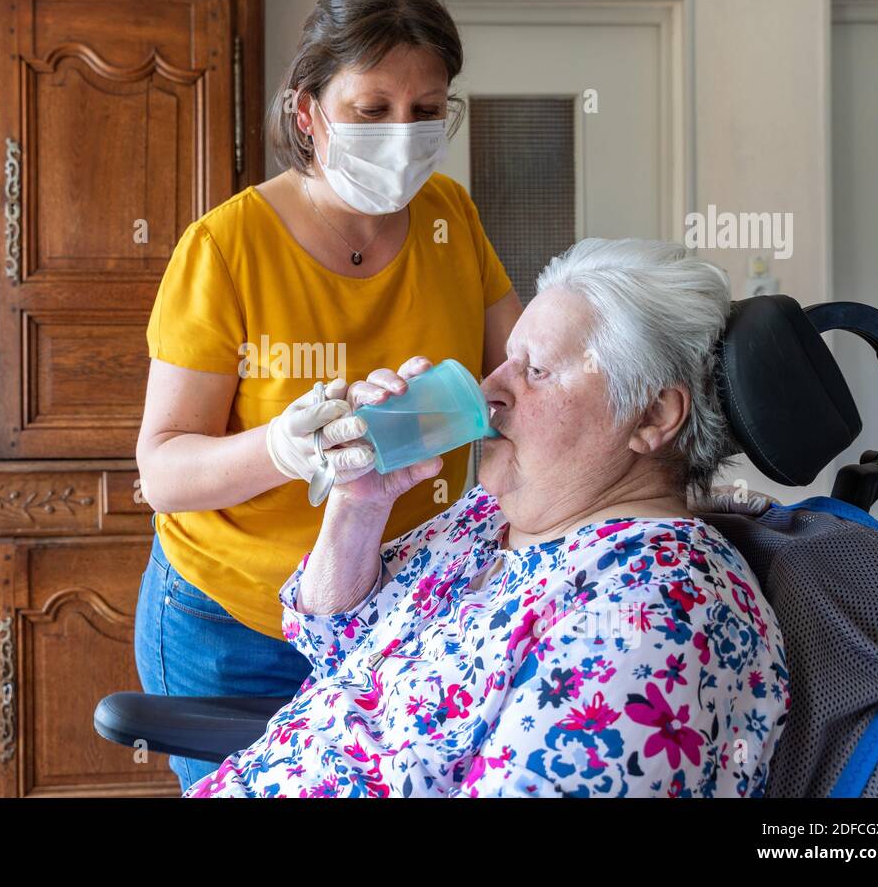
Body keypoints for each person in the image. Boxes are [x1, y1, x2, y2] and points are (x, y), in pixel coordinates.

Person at [186, 238, 791, 797]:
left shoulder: (655, 609)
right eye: (505, 362)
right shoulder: (488, 517)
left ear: (652, 416)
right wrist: (358, 506)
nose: (488, 389)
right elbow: (331, 645)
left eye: (536, 370)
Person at [134, 0, 523, 791]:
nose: (402, 131)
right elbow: (162, 470)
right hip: (235, 627)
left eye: (425, 110)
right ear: (309, 112)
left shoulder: (450, 219)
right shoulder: (227, 249)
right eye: (371, 108)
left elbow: (518, 379)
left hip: (402, 614)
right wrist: (282, 448)